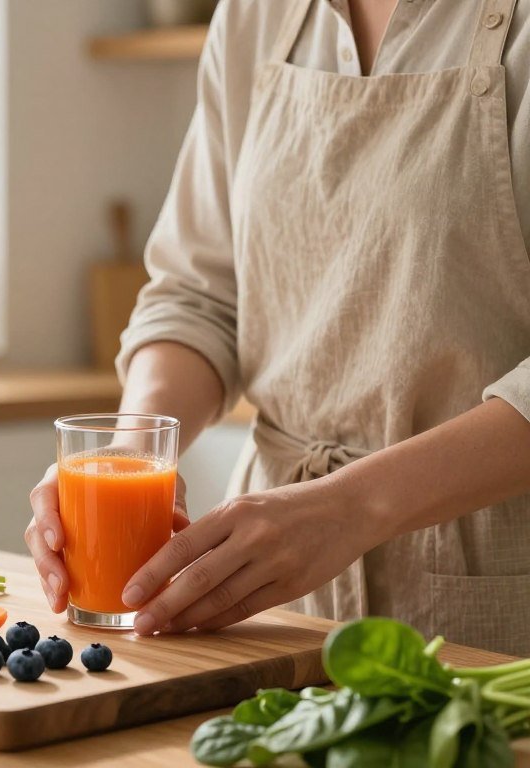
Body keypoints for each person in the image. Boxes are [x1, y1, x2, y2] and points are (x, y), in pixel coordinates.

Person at [26, 0, 530, 656]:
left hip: (491, 592)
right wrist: (131, 456)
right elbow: (198, 293)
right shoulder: (256, 14)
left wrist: (351, 507)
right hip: (271, 600)